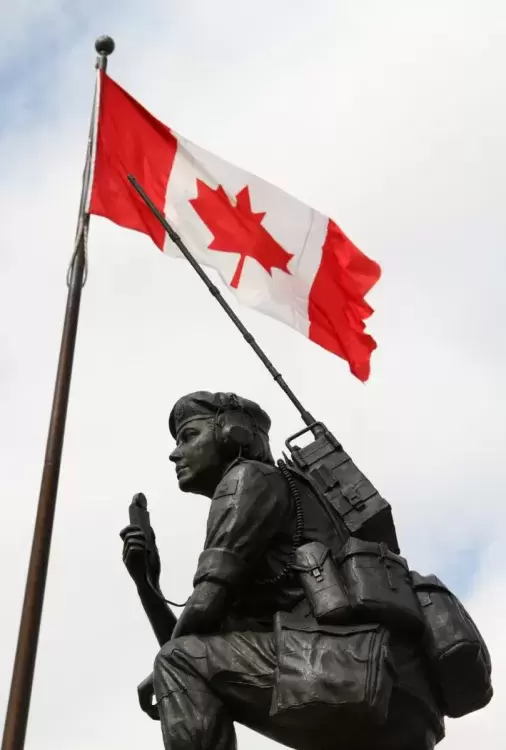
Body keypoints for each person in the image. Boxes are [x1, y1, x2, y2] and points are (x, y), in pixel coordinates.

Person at [120, 391, 443, 750]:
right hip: (396, 694)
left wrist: (166, 669)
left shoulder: (247, 479)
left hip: (360, 671)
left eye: (189, 436)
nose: (175, 453)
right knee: (179, 660)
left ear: (232, 432)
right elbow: (192, 647)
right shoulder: (286, 494)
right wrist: (145, 583)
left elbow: (191, 636)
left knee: (177, 661)